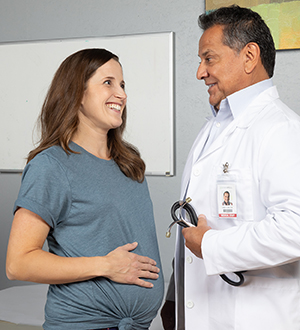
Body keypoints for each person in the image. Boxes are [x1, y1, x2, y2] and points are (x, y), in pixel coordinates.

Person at [161, 5, 300, 330]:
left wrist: (211, 245)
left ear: (249, 56)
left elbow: (296, 228)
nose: (200, 72)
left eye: (209, 58)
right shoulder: (215, 127)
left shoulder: (282, 129)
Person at [6, 48, 164, 330]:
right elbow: (18, 263)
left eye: (123, 85)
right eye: (108, 82)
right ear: (77, 93)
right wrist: (106, 266)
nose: (122, 94)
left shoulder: (130, 164)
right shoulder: (52, 166)